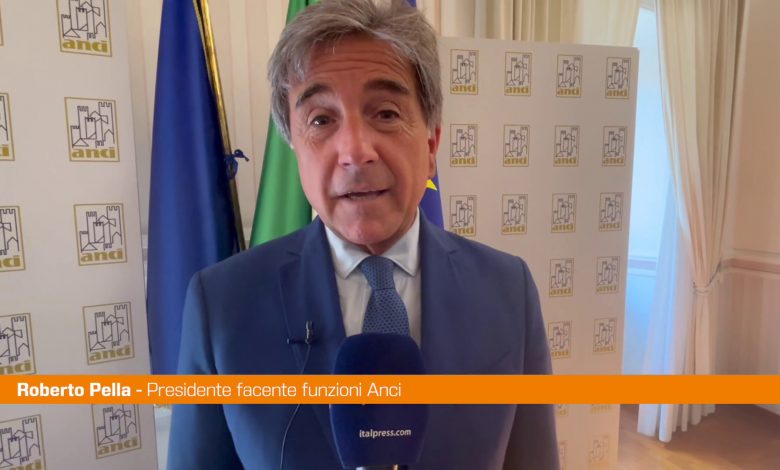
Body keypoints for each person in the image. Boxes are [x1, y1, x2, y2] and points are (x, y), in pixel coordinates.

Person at [167, 0, 558, 468]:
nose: (354, 150)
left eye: (386, 113)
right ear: (294, 149)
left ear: (431, 143)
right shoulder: (222, 305)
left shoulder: (508, 290)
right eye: (321, 120)